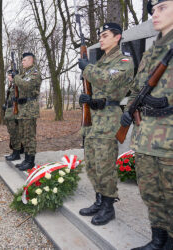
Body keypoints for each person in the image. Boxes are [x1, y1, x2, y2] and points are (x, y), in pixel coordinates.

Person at [121, 1, 173, 249]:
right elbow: (138, 87)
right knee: (151, 193)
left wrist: (166, 102)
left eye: (162, 7)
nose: (155, 13)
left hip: (169, 140)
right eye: (153, 9)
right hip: (145, 139)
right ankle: (158, 239)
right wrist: (130, 109)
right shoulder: (153, 50)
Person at [77, 23, 134, 226]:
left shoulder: (124, 60)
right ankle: (99, 200)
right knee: (92, 165)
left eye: (105, 35)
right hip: (93, 121)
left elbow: (110, 81)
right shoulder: (100, 61)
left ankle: (109, 207)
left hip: (108, 119)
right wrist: (86, 98)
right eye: (100, 35)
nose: (100, 39)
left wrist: (87, 68)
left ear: (117, 37)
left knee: (105, 166)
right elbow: (93, 86)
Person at [8, 52, 42, 171]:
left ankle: (30, 161)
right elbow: (17, 88)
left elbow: (27, 86)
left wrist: (16, 77)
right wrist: (13, 80)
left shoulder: (35, 73)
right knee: (23, 135)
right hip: (22, 109)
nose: (23, 62)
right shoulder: (23, 74)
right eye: (22, 60)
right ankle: (26, 159)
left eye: (25, 60)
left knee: (29, 136)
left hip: (30, 109)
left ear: (31, 60)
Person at [4, 81, 22, 161]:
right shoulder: (11, 86)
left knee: (15, 133)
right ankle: (15, 152)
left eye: (10, 75)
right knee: (12, 133)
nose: (8, 77)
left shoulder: (17, 85)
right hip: (9, 111)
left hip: (14, 111)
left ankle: (17, 153)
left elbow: (18, 99)